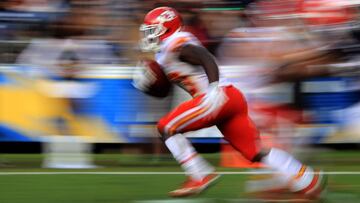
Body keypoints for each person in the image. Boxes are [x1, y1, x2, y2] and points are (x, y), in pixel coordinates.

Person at [133, 7, 326, 198]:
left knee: (166, 127)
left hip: (216, 97)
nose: (149, 35)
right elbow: (165, 90)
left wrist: (214, 86)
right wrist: (150, 83)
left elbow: (205, 57)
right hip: (232, 98)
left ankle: (200, 175)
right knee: (255, 151)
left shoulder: (174, 43)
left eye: (153, 30)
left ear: (166, 28)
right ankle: (307, 179)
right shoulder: (166, 51)